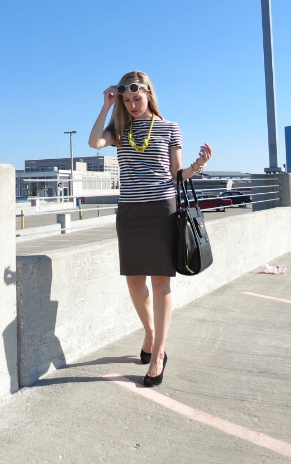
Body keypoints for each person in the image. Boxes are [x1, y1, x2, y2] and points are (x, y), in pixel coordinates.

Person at [88, 70, 212, 387]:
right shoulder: (119, 129)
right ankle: (151, 332)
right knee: (133, 282)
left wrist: (198, 166)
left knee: (160, 283)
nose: (131, 104)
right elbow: (93, 142)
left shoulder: (170, 128)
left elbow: (176, 175)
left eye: (136, 98)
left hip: (161, 210)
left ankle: (157, 355)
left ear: (149, 95)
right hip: (130, 212)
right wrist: (106, 105)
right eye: (126, 99)